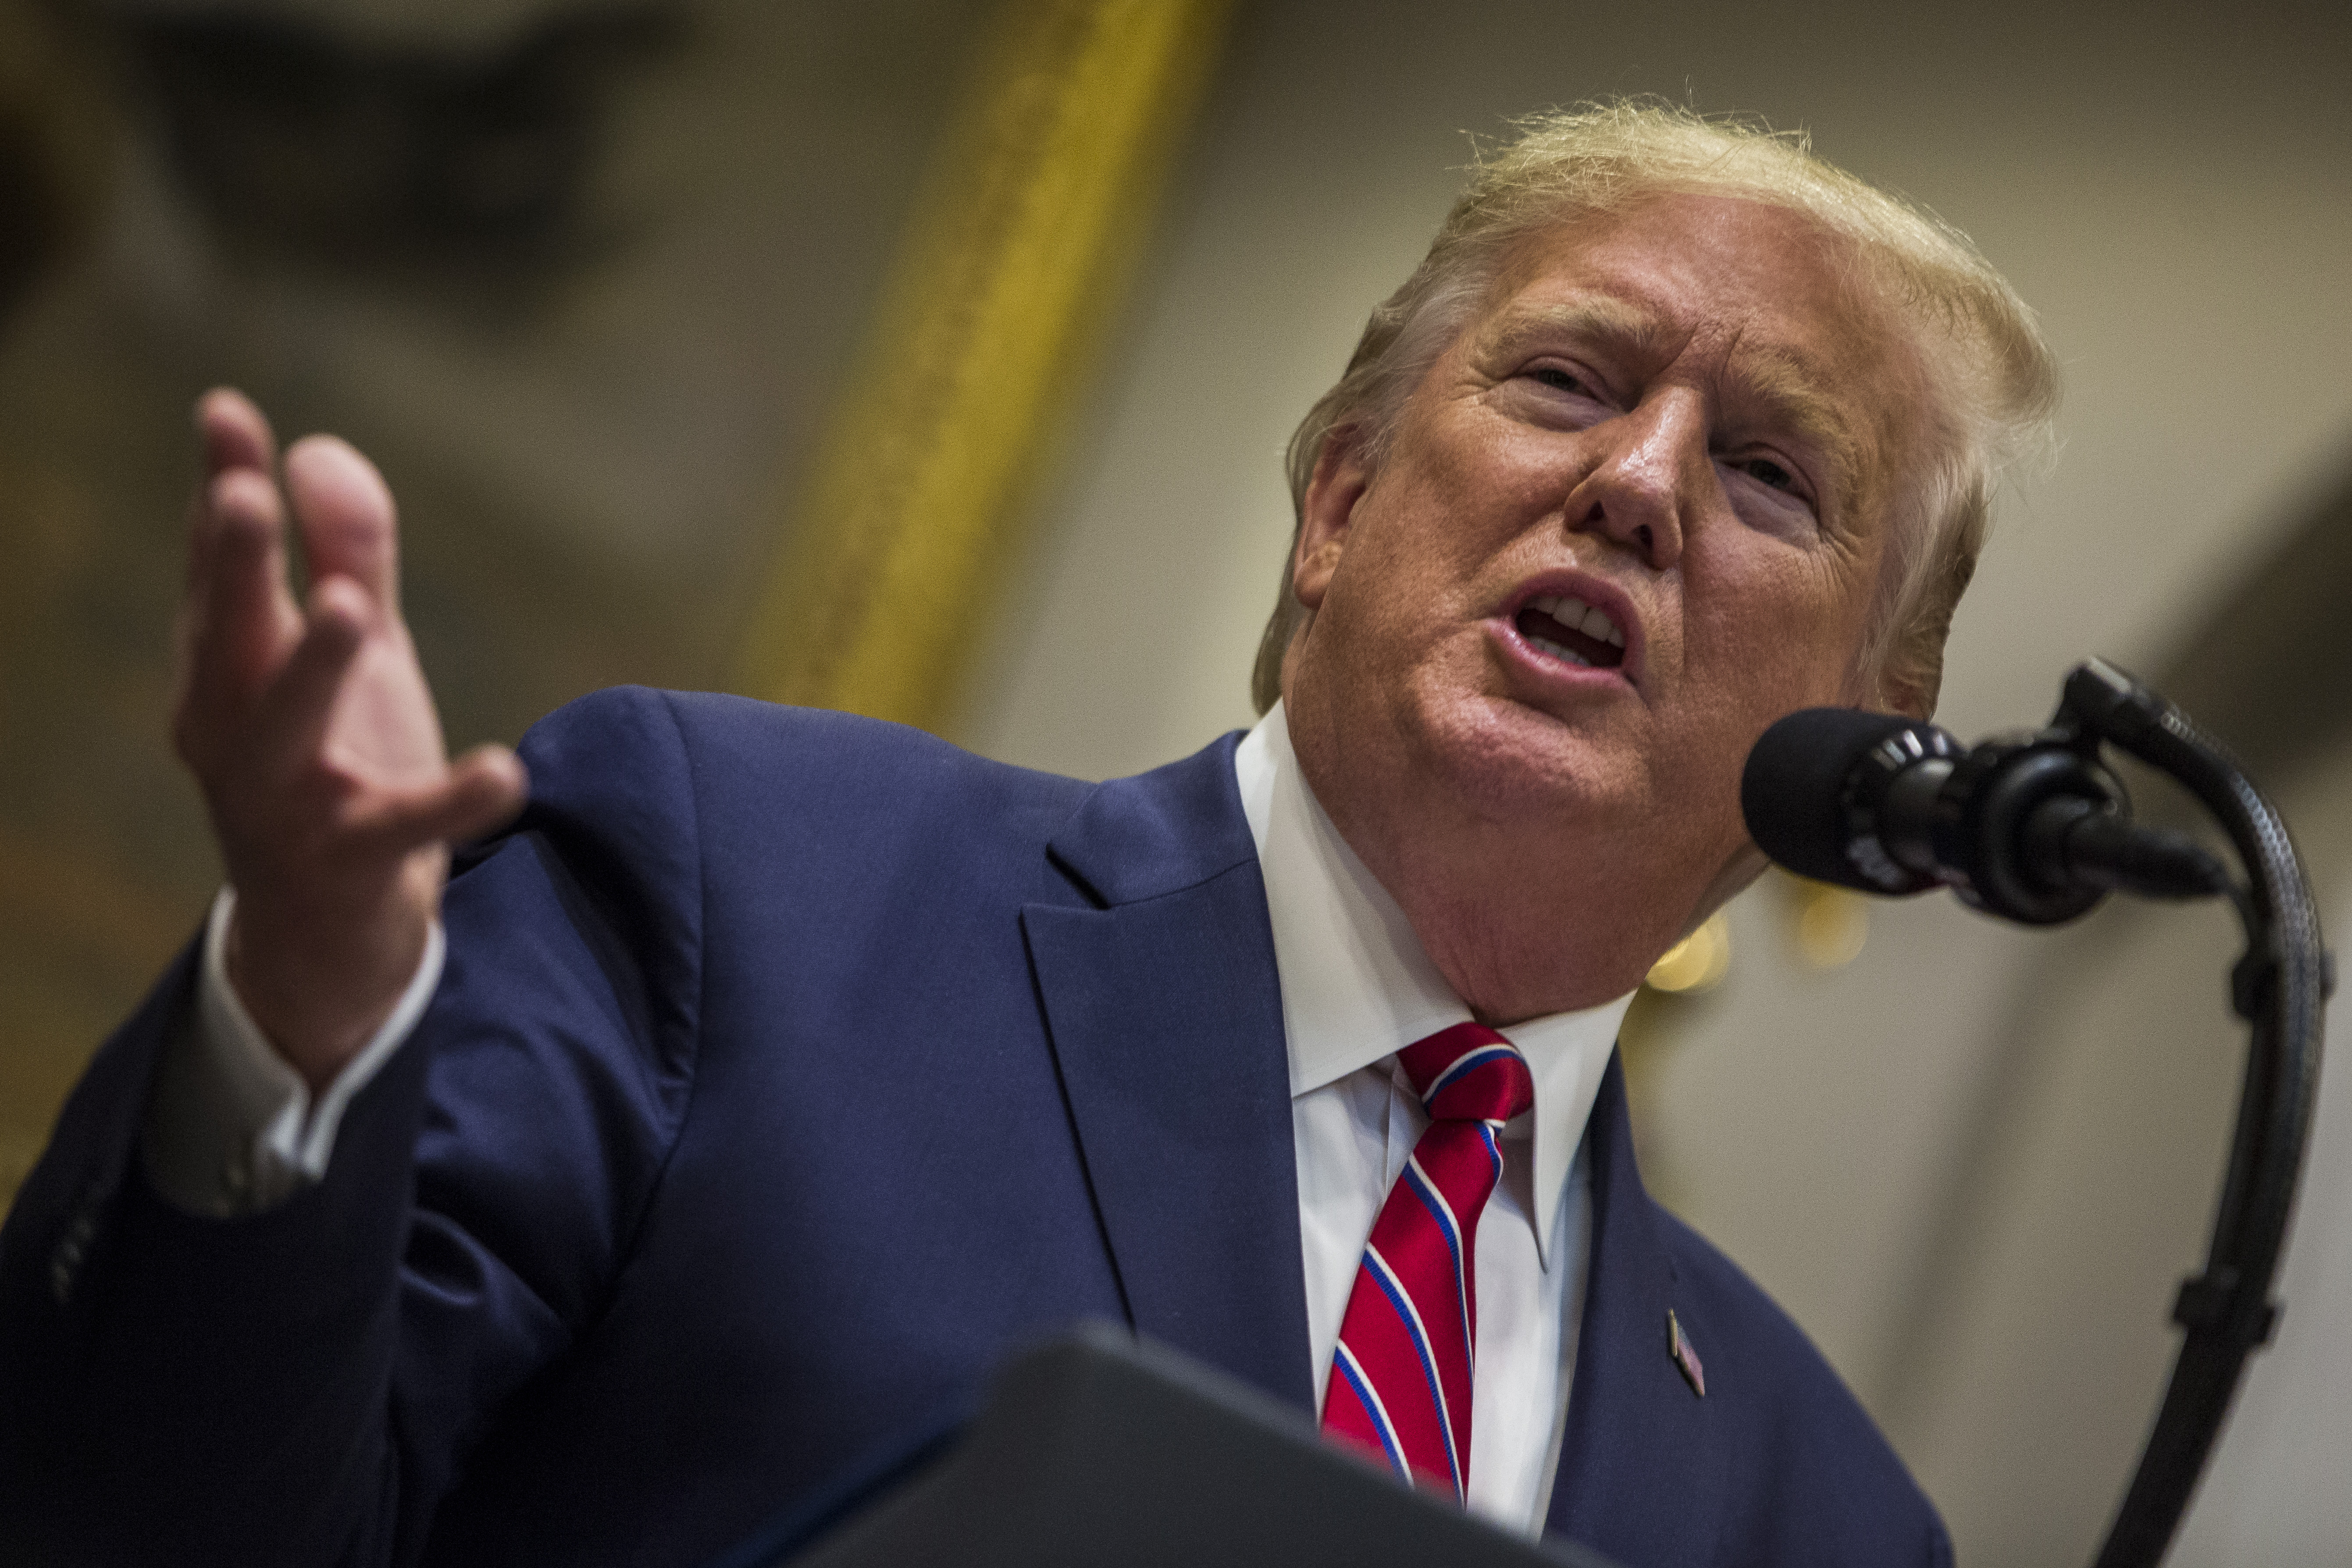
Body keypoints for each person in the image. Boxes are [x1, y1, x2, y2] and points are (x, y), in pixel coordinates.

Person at [0, 103, 2054, 1566]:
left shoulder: (1823, 1515)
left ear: (1865, 747)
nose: (1638, 482)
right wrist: (295, 1034)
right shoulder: (735, 888)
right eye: (1567, 381)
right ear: (1338, 507)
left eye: (1774, 473)